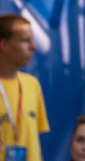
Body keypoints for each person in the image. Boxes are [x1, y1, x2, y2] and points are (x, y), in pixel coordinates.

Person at [0, 13, 49, 161]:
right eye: (25, 40)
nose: (33, 46)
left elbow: (35, 139)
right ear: (4, 45)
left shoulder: (32, 84)